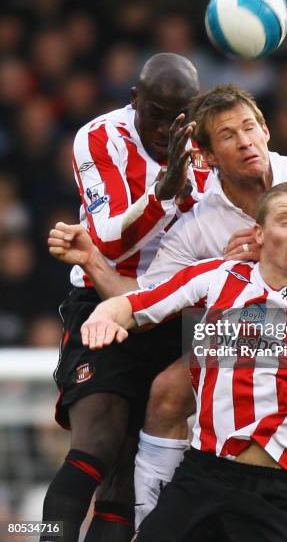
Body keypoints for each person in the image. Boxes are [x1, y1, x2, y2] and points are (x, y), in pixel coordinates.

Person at [48, 84, 287, 523]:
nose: (245, 141)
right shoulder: (196, 225)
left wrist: (276, 257)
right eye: (228, 135)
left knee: (249, 460)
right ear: (205, 157)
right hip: (248, 335)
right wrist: (92, 258)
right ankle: (155, 522)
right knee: (168, 394)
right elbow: (148, 303)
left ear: (266, 130)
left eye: (249, 128)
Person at [79, 182, 287, 542]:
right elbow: (136, 304)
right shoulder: (219, 277)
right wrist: (101, 316)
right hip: (204, 472)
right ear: (260, 234)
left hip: (276, 488)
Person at [41, 53, 209, 542]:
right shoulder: (100, 138)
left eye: (178, 114)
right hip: (103, 305)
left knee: (125, 481)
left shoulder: (205, 148)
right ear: (135, 99)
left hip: (173, 315)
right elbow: (106, 242)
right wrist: (164, 192)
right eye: (155, 111)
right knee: (97, 446)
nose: (165, 126)